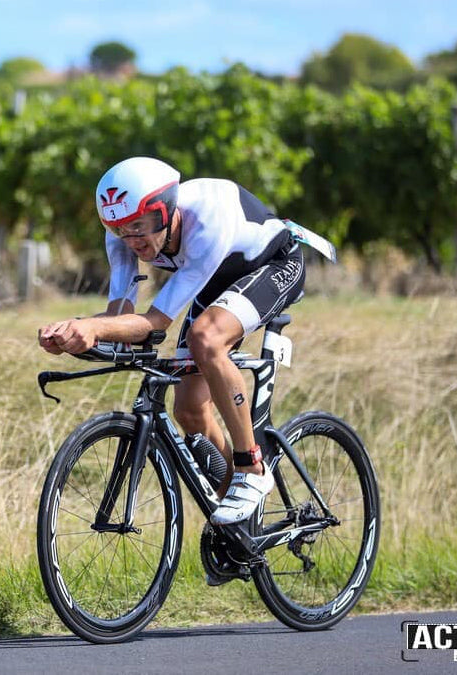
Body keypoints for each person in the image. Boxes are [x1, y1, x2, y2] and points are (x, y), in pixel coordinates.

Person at [37, 156, 306, 526]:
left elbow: (153, 322)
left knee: (206, 339)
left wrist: (95, 329)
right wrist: (73, 331)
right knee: (190, 409)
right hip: (216, 278)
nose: (131, 240)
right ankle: (241, 528)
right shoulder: (121, 236)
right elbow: (120, 318)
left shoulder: (206, 220)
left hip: (273, 264)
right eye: (119, 229)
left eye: (138, 227)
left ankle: (251, 467)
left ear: (165, 211)